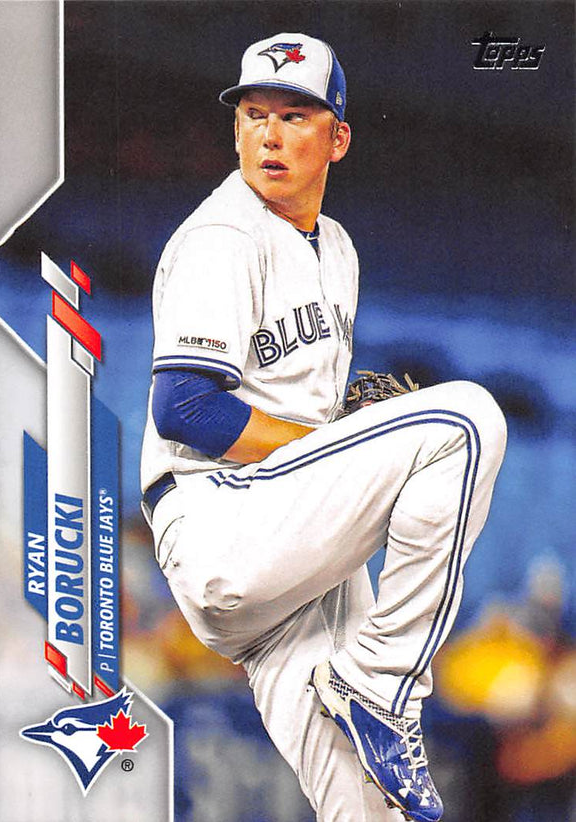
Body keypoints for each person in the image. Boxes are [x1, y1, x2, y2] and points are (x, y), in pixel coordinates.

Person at [140, 32, 507, 822]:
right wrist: (333, 443)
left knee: (374, 809)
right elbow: (187, 408)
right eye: (255, 115)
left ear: (338, 138)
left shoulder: (336, 250)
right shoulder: (221, 237)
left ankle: (369, 691)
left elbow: (297, 422)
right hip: (220, 517)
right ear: (236, 129)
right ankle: (384, 682)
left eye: (295, 116)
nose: (270, 135)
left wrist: (340, 433)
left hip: (289, 549)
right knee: (468, 420)